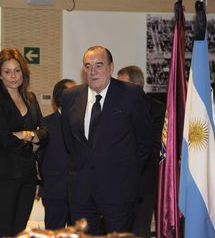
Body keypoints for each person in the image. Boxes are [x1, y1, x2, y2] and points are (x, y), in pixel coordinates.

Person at [61, 45, 152, 235]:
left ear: (111, 67)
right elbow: (71, 143)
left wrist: (128, 175)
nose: (92, 71)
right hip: (81, 191)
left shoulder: (131, 94)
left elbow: (144, 143)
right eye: (87, 66)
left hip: (119, 190)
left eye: (99, 65)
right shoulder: (70, 96)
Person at [0, 48, 49, 236]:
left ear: (23, 72)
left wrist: (24, 134)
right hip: (4, 176)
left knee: (20, 231)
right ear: (0, 75)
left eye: (17, 70)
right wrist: (30, 136)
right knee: (4, 230)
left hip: (28, 175)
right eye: (7, 71)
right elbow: (3, 138)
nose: (13, 76)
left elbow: (45, 132)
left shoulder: (30, 98)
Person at [118, 65, 165, 238]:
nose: (119, 89)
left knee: (140, 228)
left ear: (137, 85)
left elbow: (154, 147)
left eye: (123, 84)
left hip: (144, 179)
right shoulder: (114, 107)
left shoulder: (157, 108)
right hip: (117, 181)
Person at [37, 78, 76, 230]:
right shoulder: (45, 125)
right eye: (75, 93)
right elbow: (39, 157)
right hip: (55, 193)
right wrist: (40, 185)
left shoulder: (85, 123)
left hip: (79, 194)